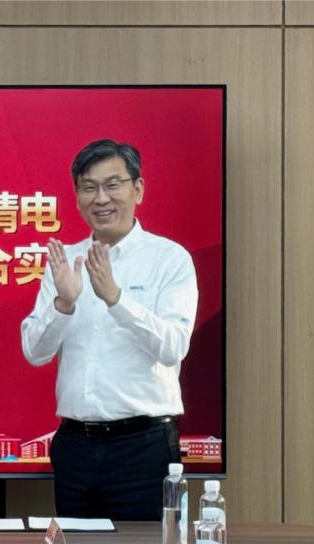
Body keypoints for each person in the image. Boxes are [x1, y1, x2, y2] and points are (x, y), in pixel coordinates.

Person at [20, 140, 198, 521]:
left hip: (143, 447)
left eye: (112, 185)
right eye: (89, 187)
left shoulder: (169, 260)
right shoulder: (66, 261)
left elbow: (173, 347)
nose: (101, 198)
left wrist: (116, 299)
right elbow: (34, 352)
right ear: (77, 196)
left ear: (138, 189)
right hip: (75, 446)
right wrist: (63, 304)